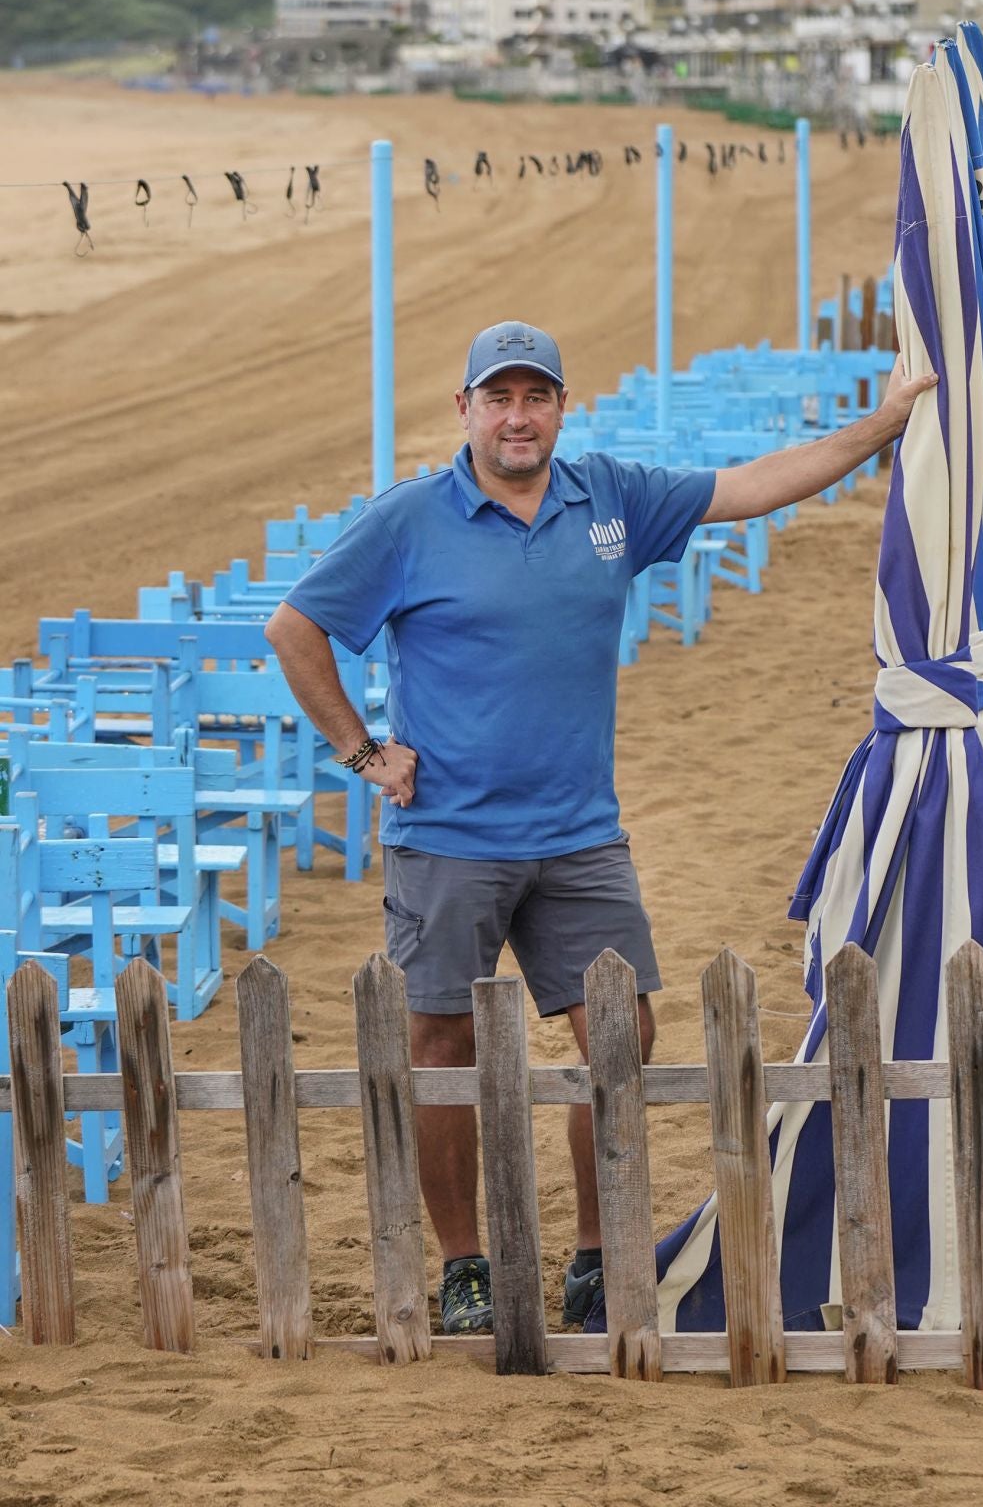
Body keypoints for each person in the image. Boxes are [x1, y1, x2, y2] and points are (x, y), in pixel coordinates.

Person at [265, 319, 936, 1336]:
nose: (518, 416)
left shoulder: (609, 501)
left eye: (536, 398)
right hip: (445, 837)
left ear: (561, 411)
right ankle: (463, 1267)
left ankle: (592, 1249)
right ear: (466, 411)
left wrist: (885, 422)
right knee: (438, 1042)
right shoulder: (409, 520)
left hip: (580, 836)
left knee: (619, 1033)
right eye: (499, 397)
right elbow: (294, 625)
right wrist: (363, 753)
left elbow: (756, 483)